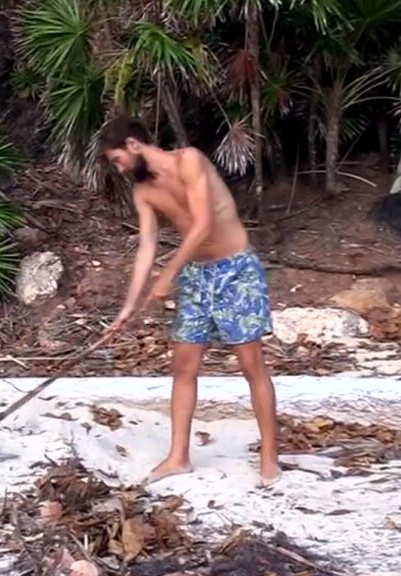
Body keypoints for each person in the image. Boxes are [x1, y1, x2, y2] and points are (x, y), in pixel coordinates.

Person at [99, 115, 282, 488]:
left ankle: (269, 457)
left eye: (117, 160)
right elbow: (147, 247)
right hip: (197, 277)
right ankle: (178, 456)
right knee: (184, 366)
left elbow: (202, 225)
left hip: (236, 270)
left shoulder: (190, 161)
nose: (119, 170)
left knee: (251, 364)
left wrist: (168, 274)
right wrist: (128, 307)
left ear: (134, 145)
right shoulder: (144, 192)